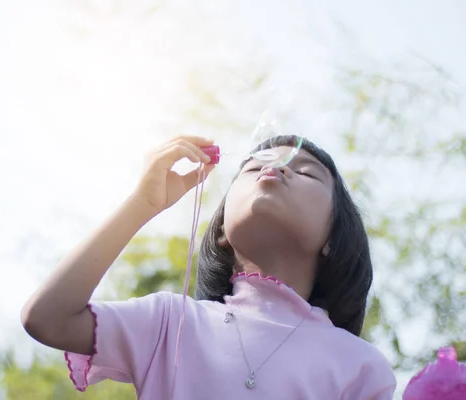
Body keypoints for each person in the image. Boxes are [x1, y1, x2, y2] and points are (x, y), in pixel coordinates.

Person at [21, 135, 397, 399]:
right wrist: (143, 204)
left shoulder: (361, 367)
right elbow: (47, 318)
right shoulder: (170, 322)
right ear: (221, 233)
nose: (276, 170)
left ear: (335, 237)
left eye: (306, 172)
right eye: (254, 168)